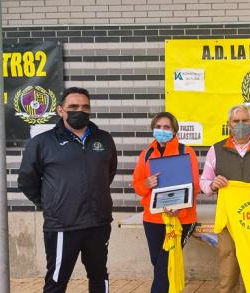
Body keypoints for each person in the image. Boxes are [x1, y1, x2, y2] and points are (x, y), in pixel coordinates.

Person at [18, 87, 117, 293]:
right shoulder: (42, 143)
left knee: (99, 276)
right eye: (73, 106)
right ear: (60, 110)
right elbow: (27, 181)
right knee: (56, 281)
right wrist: (50, 203)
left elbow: (108, 173)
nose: (79, 111)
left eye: (84, 107)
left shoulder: (104, 139)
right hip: (63, 225)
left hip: (98, 223)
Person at [199, 105, 250, 293]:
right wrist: (212, 184)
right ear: (229, 124)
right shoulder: (215, 150)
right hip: (229, 221)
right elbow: (204, 181)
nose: (240, 125)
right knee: (229, 267)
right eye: (236, 121)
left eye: (245, 121)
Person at [132, 112, 200, 293]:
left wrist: (179, 208)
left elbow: (195, 186)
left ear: (174, 130)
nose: (162, 130)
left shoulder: (186, 152)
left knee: (164, 264)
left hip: (180, 219)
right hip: (153, 219)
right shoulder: (146, 154)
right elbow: (137, 185)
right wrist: (147, 183)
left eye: (167, 127)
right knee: (158, 263)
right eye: (159, 127)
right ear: (153, 129)